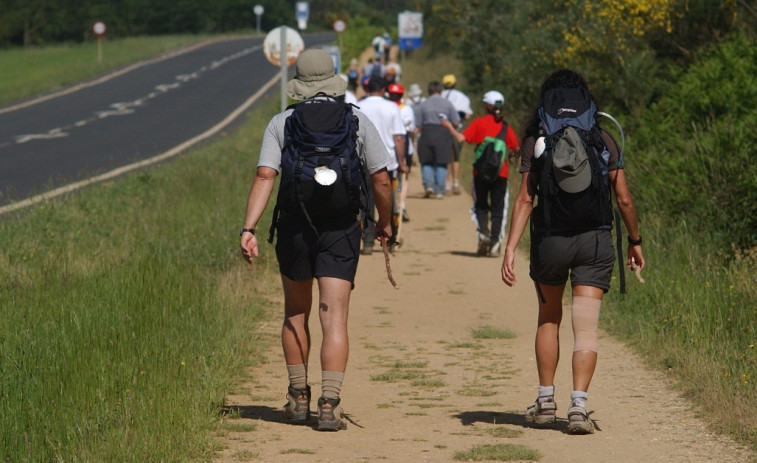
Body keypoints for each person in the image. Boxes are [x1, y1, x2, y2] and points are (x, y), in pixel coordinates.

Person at [239, 49, 393, 431]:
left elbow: (264, 176)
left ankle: (297, 397)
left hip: (294, 227)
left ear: (299, 84)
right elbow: (381, 179)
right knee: (334, 316)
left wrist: (249, 228)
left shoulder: (282, 122)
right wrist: (384, 222)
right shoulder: (356, 120)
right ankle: (329, 403)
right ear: (333, 79)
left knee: (295, 312)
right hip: (341, 228)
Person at [501, 69, 645, 435]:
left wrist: (510, 248)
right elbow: (624, 199)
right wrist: (635, 240)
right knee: (586, 326)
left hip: (550, 241)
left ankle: (545, 401)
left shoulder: (538, 139)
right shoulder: (603, 139)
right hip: (594, 241)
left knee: (548, 318)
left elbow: (524, 199)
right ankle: (578, 407)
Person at [441, 90, 520, 257]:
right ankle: (494, 245)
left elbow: (462, 139)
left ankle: (483, 233)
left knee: (481, 206)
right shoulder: (505, 126)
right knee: (498, 209)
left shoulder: (479, 123)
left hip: (480, 173)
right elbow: (515, 148)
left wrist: (449, 127)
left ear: (486, 106)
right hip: (501, 173)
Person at [357, 76, 409, 253]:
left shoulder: (359, 106)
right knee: (389, 198)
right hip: (388, 161)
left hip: (362, 160)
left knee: (367, 201)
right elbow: (399, 138)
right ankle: (391, 236)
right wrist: (403, 162)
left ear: (367, 89)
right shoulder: (392, 107)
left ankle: (368, 241)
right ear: (383, 90)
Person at [413, 81, 459, 199]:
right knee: (441, 163)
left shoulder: (423, 105)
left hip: (427, 134)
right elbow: (456, 122)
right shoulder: (448, 104)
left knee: (427, 161)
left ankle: (428, 186)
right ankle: (439, 190)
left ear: (429, 91)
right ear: (440, 90)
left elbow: (418, 125)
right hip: (443, 134)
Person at [386, 83, 416, 223]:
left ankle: (398, 204)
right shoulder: (406, 109)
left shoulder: (387, 107)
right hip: (402, 146)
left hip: (393, 146)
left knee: (394, 178)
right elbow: (412, 130)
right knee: (402, 178)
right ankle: (400, 205)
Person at [441, 74, 473, 195]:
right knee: (456, 156)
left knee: (446, 157)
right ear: (455, 84)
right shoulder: (463, 97)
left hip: (444, 129)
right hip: (458, 130)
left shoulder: (441, 95)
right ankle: (455, 182)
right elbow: (468, 115)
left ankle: (446, 184)